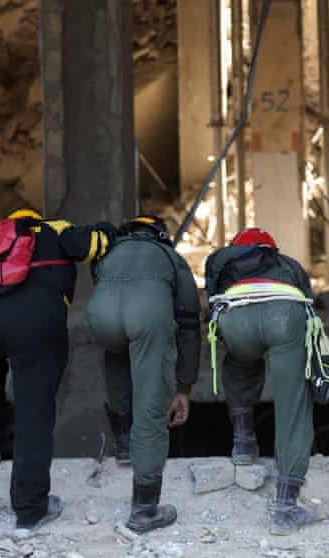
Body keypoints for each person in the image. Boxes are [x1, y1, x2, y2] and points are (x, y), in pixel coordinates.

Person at [0, 209, 115, 531]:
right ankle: (31, 508)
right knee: (34, 411)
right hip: (34, 322)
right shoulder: (55, 229)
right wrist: (108, 229)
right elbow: (93, 244)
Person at [88, 214, 201, 534]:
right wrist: (184, 387)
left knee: (117, 351)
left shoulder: (109, 252)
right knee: (152, 407)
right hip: (147, 318)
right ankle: (145, 510)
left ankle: (124, 441)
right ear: (160, 234)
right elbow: (190, 324)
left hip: (100, 317)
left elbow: (101, 282)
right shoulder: (170, 256)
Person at [204, 228, 319, 536]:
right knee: (292, 401)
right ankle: (285, 508)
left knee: (239, 364)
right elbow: (309, 304)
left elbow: (210, 304)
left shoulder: (225, 264)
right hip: (283, 317)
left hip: (236, 320)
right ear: (272, 249)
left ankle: (243, 443)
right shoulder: (288, 264)